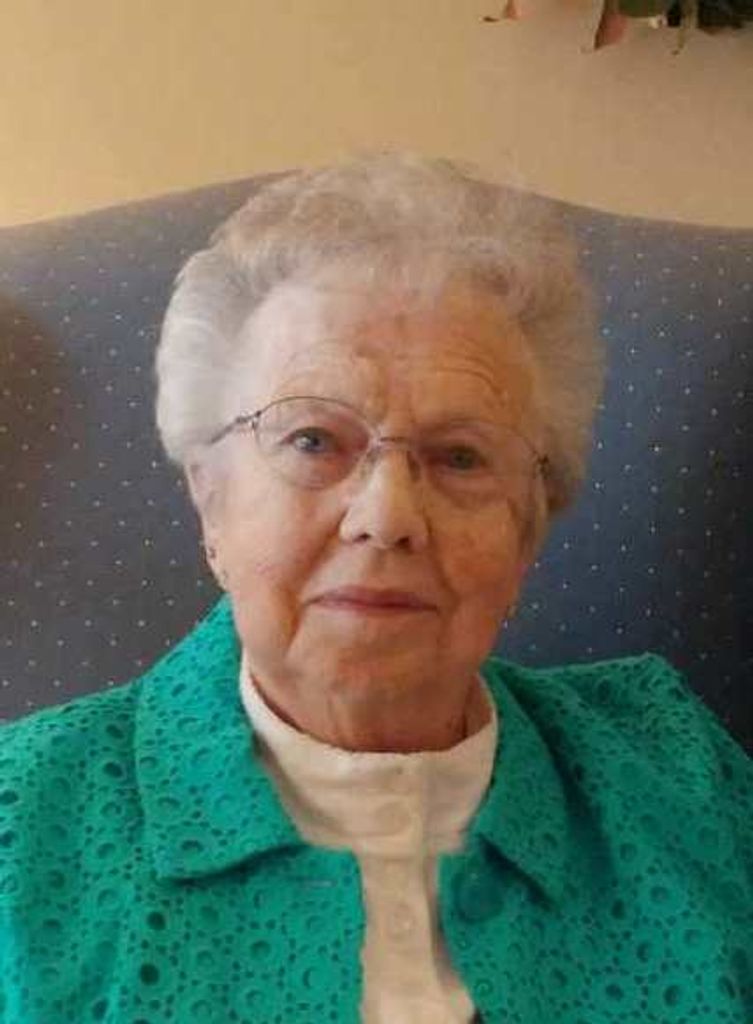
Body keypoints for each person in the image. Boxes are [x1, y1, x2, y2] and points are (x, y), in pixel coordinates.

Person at [1, 153, 751, 1024]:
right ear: (211, 499)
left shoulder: (676, 776)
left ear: (529, 524)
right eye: (313, 440)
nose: (387, 517)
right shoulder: (25, 825)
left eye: (461, 456)